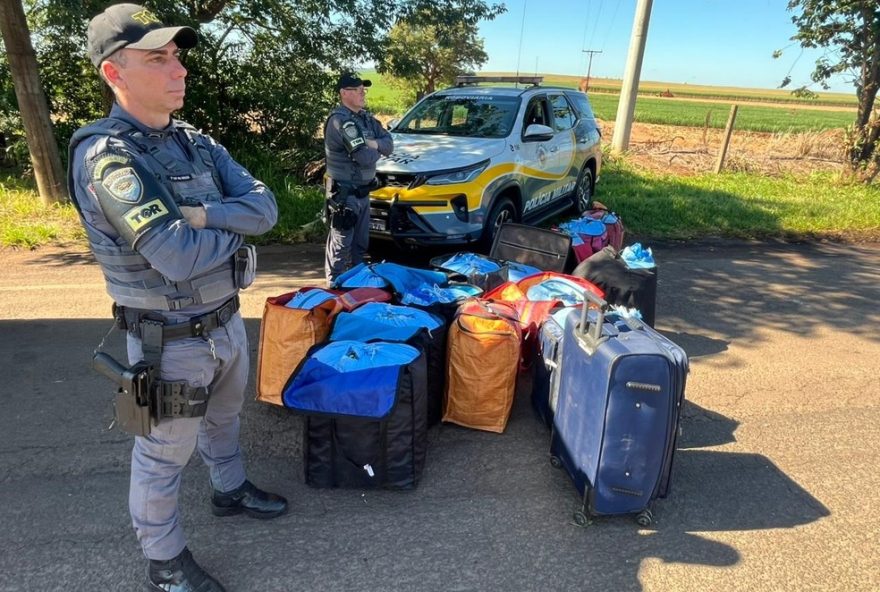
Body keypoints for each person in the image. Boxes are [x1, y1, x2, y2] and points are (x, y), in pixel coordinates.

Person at [67, 4, 286, 591]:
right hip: (170, 342)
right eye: (158, 58)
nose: (178, 69)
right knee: (162, 456)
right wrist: (226, 227)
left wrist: (198, 214)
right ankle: (164, 560)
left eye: (177, 56)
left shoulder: (196, 142)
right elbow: (176, 255)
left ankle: (229, 489)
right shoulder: (110, 158)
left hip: (224, 320)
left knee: (224, 418)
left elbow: (266, 209)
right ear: (115, 74)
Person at [323, 72, 393, 284]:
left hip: (362, 194)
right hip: (345, 195)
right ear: (344, 93)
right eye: (357, 89)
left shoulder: (366, 119)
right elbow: (363, 158)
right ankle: (334, 288)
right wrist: (376, 146)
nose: (363, 92)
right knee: (342, 245)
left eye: (364, 88)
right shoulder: (340, 121)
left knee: (360, 246)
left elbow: (389, 144)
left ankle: (355, 289)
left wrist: (371, 143)